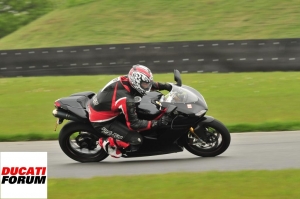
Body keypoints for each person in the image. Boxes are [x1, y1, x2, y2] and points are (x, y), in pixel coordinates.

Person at [88, 64, 172, 158]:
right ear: (136, 82)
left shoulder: (127, 80)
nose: (147, 86)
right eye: (145, 84)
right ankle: (107, 142)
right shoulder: (126, 99)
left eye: (148, 83)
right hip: (102, 121)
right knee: (137, 140)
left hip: (104, 107)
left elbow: (148, 84)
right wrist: (157, 123)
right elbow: (134, 125)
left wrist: (167, 86)